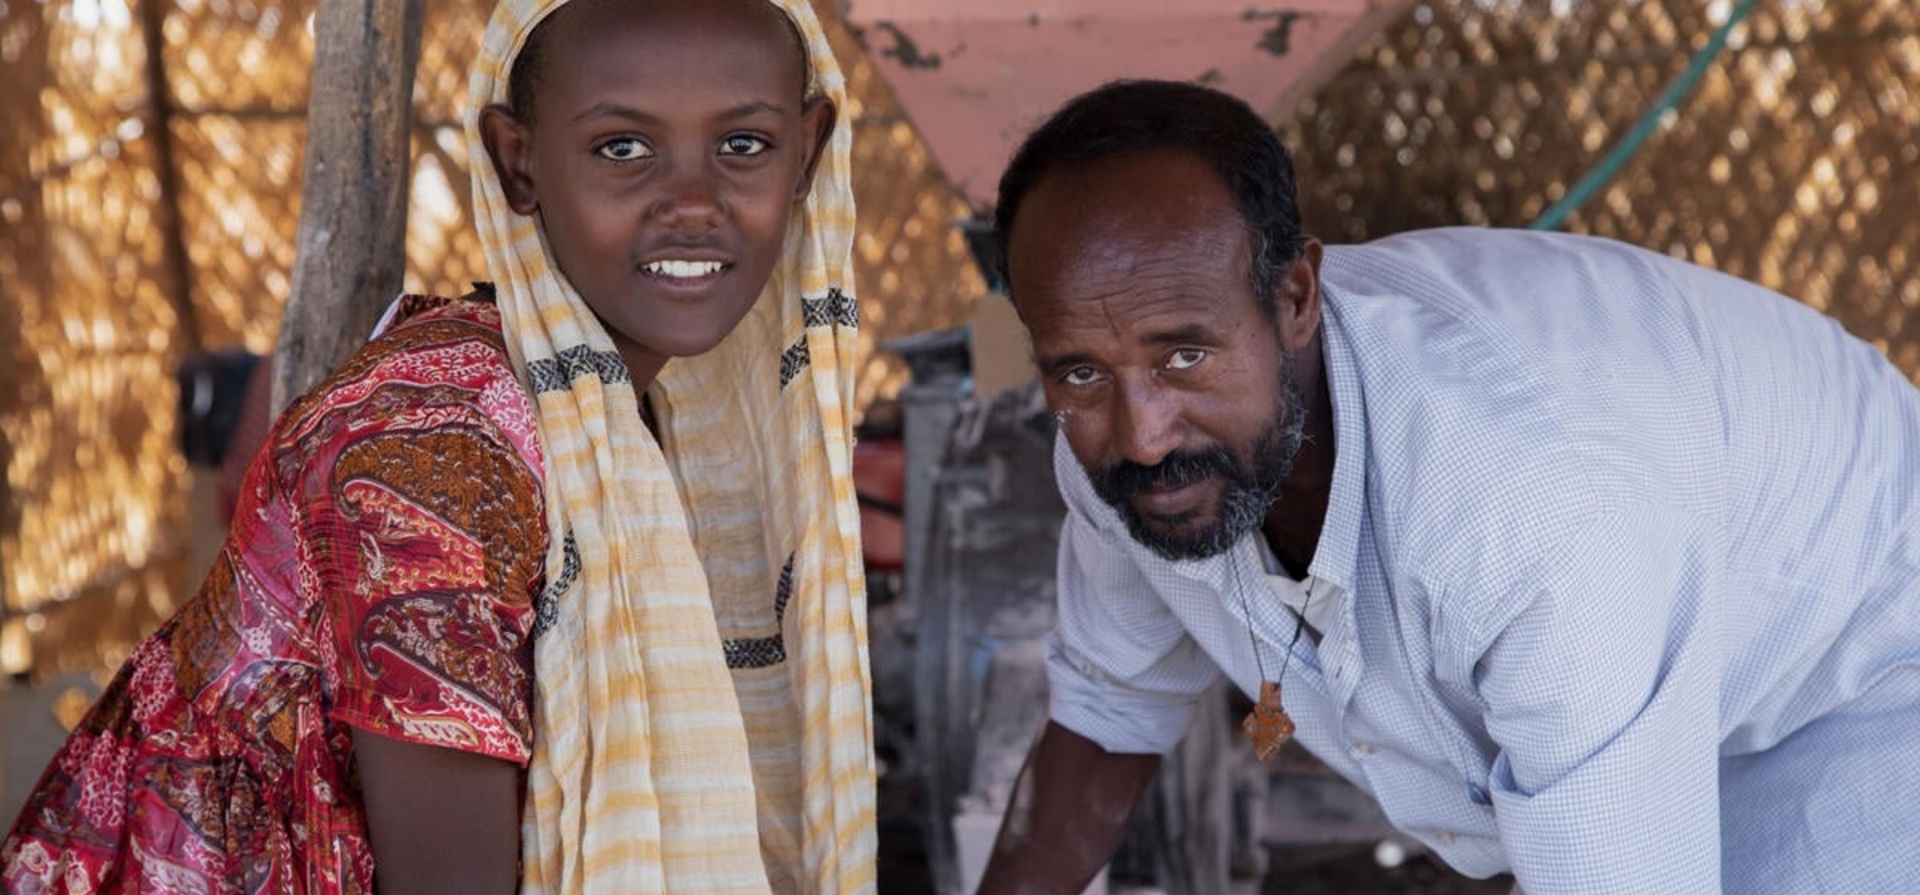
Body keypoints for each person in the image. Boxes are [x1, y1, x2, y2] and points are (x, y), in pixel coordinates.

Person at [1, 0, 876, 892]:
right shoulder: (435, 457)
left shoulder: (617, 419)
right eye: (623, 147)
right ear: (517, 160)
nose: (693, 202)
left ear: (806, 152)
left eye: (743, 146)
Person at [975, 79, 1920, 895]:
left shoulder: (1520, 503)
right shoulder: (1110, 444)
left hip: (1859, 677)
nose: (1142, 436)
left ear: (1296, 298)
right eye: (1080, 372)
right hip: (1635, 679)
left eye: (1186, 354)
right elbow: (1107, 715)